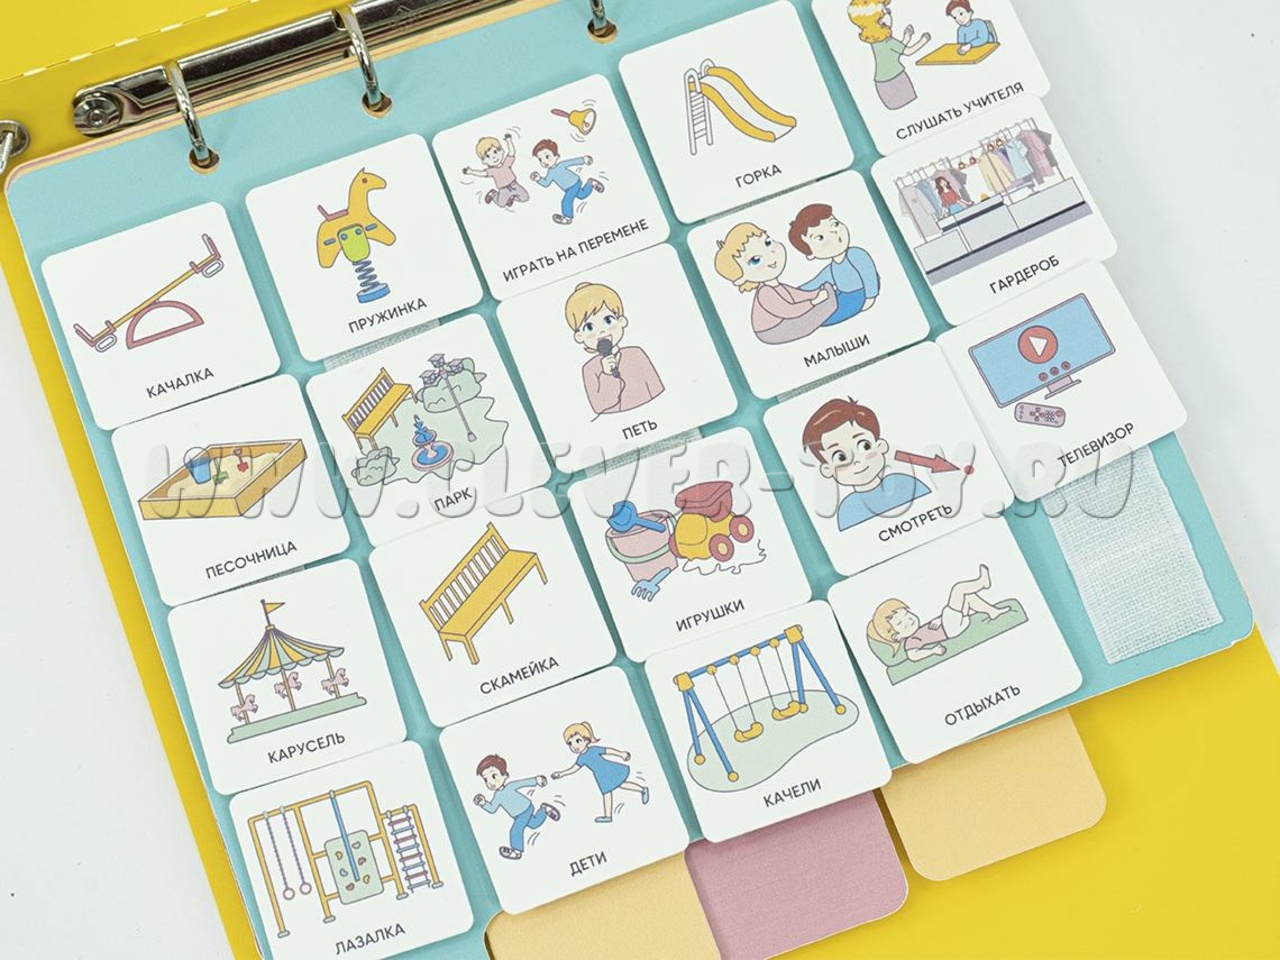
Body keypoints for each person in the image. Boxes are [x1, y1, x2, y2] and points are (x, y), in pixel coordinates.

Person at [801, 397, 930, 531]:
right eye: (840, 457)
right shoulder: (848, 510)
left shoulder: (906, 484)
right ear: (827, 469)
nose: (857, 460)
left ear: (880, 446)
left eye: (864, 446)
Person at [714, 222, 837, 345]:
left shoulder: (777, 286)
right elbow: (788, 310)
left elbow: (797, 295)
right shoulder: (765, 293)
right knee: (820, 311)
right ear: (741, 278)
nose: (770, 255)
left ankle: (829, 303)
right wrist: (814, 301)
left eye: (768, 243)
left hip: (784, 321)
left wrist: (816, 293)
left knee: (821, 306)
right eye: (755, 260)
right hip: (773, 330)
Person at [867, 565, 1013, 662]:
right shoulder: (911, 641)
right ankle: (982, 583)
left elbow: (931, 630)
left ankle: (992, 612)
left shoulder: (918, 630)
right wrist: (932, 651)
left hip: (951, 625)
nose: (908, 620)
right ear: (897, 636)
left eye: (906, 614)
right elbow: (913, 656)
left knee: (968, 598)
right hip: (950, 630)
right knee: (958, 590)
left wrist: (938, 620)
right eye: (900, 623)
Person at [564, 281, 665, 418]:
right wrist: (606, 375)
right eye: (589, 327)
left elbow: (657, 389)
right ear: (579, 336)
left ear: (621, 321)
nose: (601, 331)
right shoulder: (589, 369)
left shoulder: (636, 354)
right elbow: (599, 407)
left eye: (608, 320)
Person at [790, 203, 881, 323]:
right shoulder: (832, 268)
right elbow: (817, 281)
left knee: (824, 319)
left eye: (835, 224)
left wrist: (870, 297)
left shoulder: (855, 254)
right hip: (843, 293)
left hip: (861, 292)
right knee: (820, 311)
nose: (833, 233)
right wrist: (793, 293)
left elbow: (868, 274)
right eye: (820, 238)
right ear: (810, 254)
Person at [551, 721, 649, 823]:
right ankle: (608, 816)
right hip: (601, 776)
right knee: (607, 792)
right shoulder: (581, 758)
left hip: (609, 769)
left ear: (586, 740)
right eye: (570, 743)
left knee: (622, 785)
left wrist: (620, 754)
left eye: (578, 741)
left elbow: (608, 751)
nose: (574, 746)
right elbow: (573, 769)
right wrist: (561, 774)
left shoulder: (593, 750)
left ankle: (642, 790)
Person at [472, 754, 560, 860]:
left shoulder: (510, 786)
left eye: (494, 776)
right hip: (517, 815)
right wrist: (483, 803)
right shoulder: (497, 796)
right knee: (533, 824)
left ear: (505, 775)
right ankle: (544, 810)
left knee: (516, 829)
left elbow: (523, 783)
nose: (490, 782)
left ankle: (516, 851)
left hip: (525, 808)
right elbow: (492, 809)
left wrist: (536, 780)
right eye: (486, 780)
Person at [847, 0, 931, 110]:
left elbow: (894, 55)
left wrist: (906, 37)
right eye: (884, 15)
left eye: (888, 11)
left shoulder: (876, 42)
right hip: (894, 81)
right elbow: (908, 51)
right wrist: (924, 40)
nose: (889, 16)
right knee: (914, 108)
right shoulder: (887, 42)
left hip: (884, 83)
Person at [530, 139, 605, 225]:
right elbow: (546, 183)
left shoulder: (561, 164)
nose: (544, 161)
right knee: (581, 195)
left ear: (556, 156)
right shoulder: (550, 173)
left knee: (566, 200)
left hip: (574, 183)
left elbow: (572, 162)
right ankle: (590, 184)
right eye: (540, 159)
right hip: (568, 188)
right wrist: (538, 179)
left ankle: (567, 218)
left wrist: (583, 160)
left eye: (547, 157)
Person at [462, 133, 529, 209]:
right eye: (488, 156)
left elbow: (512, 152)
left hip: (514, 185)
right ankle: (493, 194)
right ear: (484, 161)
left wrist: (509, 140)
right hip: (503, 189)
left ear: (501, 151)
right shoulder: (492, 171)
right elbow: (482, 173)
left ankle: (511, 198)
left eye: (495, 152)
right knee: (501, 204)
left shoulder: (506, 163)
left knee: (525, 197)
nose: (493, 157)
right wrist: (471, 171)